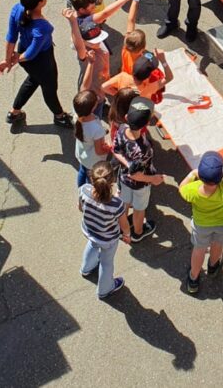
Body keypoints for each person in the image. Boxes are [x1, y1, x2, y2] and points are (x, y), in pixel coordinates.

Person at [0, 0, 73, 128]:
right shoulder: (43, 28)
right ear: (40, 3)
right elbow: (32, 53)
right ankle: (60, 116)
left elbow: (11, 37)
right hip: (42, 61)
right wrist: (14, 60)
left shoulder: (17, 9)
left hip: (26, 56)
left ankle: (14, 112)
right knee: (49, 89)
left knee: (33, 80)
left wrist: (8, 59)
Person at [178, 127, 223, 295]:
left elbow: (181, 188)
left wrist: (192, 174)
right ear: (221, 175)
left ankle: (193, 278)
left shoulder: (192, 190)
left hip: (201, 225)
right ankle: (213, 266)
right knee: (217, 244)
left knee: (198, 249)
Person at [112, 97, 165, 242]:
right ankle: (138, 232)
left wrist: (127, 164)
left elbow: (115, 150)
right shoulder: (143, 149)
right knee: (139, 209)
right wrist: (153, 179)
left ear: (127, 117)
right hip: (140, 186)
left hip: (123, 178)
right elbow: (136, 175)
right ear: (147, 124)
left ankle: (121, 227)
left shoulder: (121, 129)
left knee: (125, 203)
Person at [79, 162, 132, 299]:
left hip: (89, 231)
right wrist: (127, 234)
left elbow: (80, 207)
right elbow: (124, 224)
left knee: (92, 245)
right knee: (106, 262)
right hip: (108, 238)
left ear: (92, 179)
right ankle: (104, 289)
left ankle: (86, 268)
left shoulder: (84, 190)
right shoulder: (116, 204)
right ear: (112, 182)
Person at [102, 49, 173, 103]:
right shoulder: (149, 87)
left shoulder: (122, 76)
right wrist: (163, 60)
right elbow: (169, 77)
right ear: (148, 76)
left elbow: (103, 87)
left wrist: (118, 95)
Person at [74, 89, 109, 188]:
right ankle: (88, 194)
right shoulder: (96, 129)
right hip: (92, 161)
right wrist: (108, 149)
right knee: (91, 178)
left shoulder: (77, 117)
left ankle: (81, 190)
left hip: (82, 154)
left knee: (82, 171)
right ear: (93, 108)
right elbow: (99, 151)